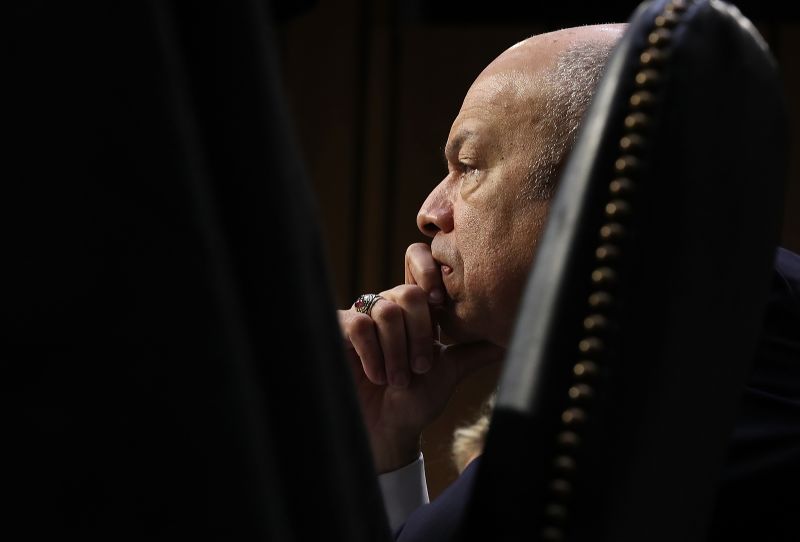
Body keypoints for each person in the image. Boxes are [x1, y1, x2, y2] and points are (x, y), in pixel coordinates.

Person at [337, 22, 800, 542]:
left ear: (594, 190)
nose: (429, 213)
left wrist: (366, 446)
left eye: (467, 167)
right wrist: (388, 431)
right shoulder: (753, 320)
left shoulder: (604, 430)